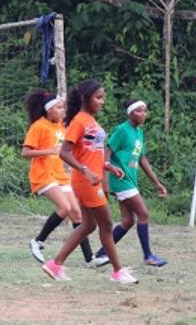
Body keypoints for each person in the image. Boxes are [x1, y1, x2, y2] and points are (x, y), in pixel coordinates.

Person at [41, 79, 137, 284]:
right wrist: (86, 171)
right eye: (99, 98)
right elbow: (64, 153)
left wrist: (107, 167)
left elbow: (90, 153)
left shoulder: (90, 121)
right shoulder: (79, 122)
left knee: (88, 225)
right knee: (107, 224)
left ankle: (55, 264)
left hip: (91, 178)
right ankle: (118, 272)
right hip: (87, 182)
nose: (102, 102)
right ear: (86, 99)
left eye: (103, 98)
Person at [90, 99, 169, 268]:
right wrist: (105, 175)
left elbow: (142, 158)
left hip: (131, 180)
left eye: (145, 110)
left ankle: (102, 253)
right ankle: (148, 256)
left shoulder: (139, 132)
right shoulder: (122, 130)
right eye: (139, 111)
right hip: (121, 180)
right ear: (130, 113)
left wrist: (157, 183)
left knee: (127, 221)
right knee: (144, 214)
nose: (143, 114)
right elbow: (107, 150)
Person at [21, 89, 93, 265]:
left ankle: (90, 258)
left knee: (77, 213)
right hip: (43, 175)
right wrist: (49, 151)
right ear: (49, 110)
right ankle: (38, 241)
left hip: (59, 175)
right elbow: (25, 152)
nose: (63, 111)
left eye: (63, 108)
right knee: (65, 208)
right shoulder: (38, 126)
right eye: (59, 108)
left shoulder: (61, 126)